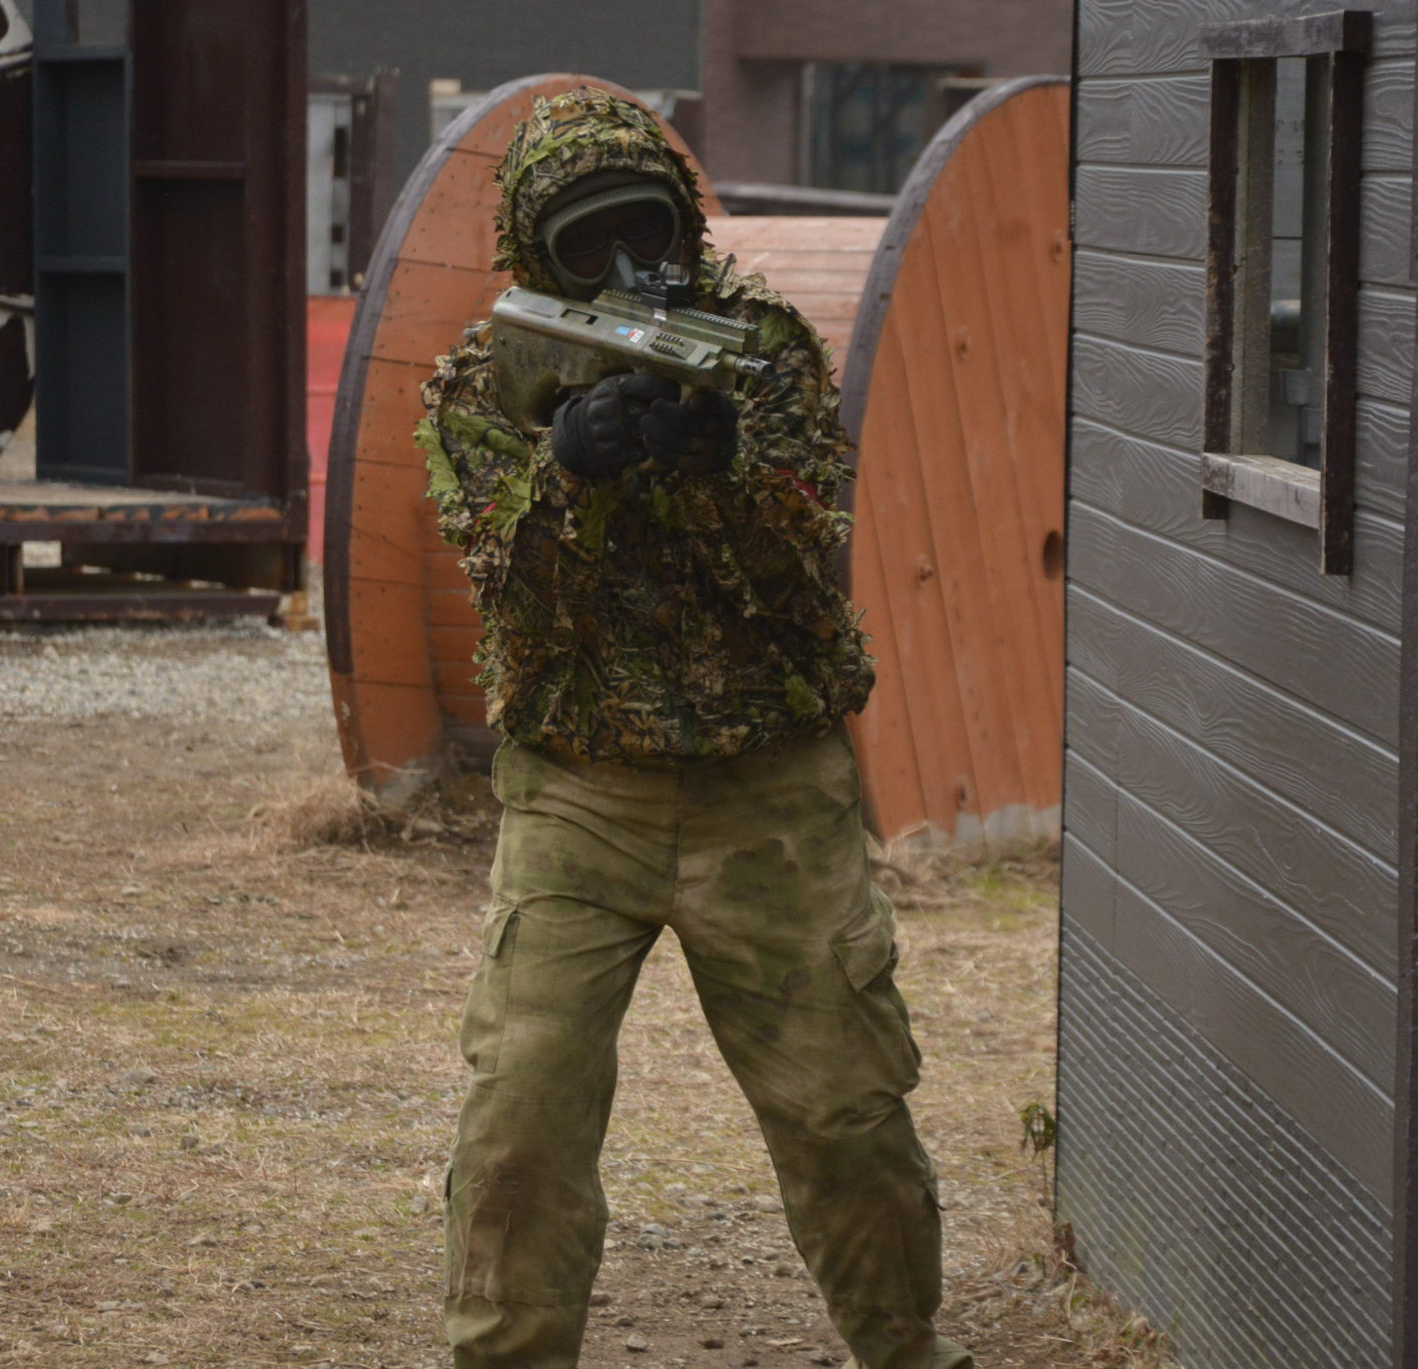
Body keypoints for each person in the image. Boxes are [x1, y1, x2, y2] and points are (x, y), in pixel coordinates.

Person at [417, 86, 973, 1369]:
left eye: (645, 233)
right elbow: (510, 598)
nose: (626, 268)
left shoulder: (758, 351)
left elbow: (806, 581)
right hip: (579, 798)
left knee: (844, 1114)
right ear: (537, 255)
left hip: (766, 793)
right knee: (521, 1122)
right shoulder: (489, 378)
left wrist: (724, 472)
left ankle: (905, 1349)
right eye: (588, 245)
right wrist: (572, 471)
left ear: (683, 228)